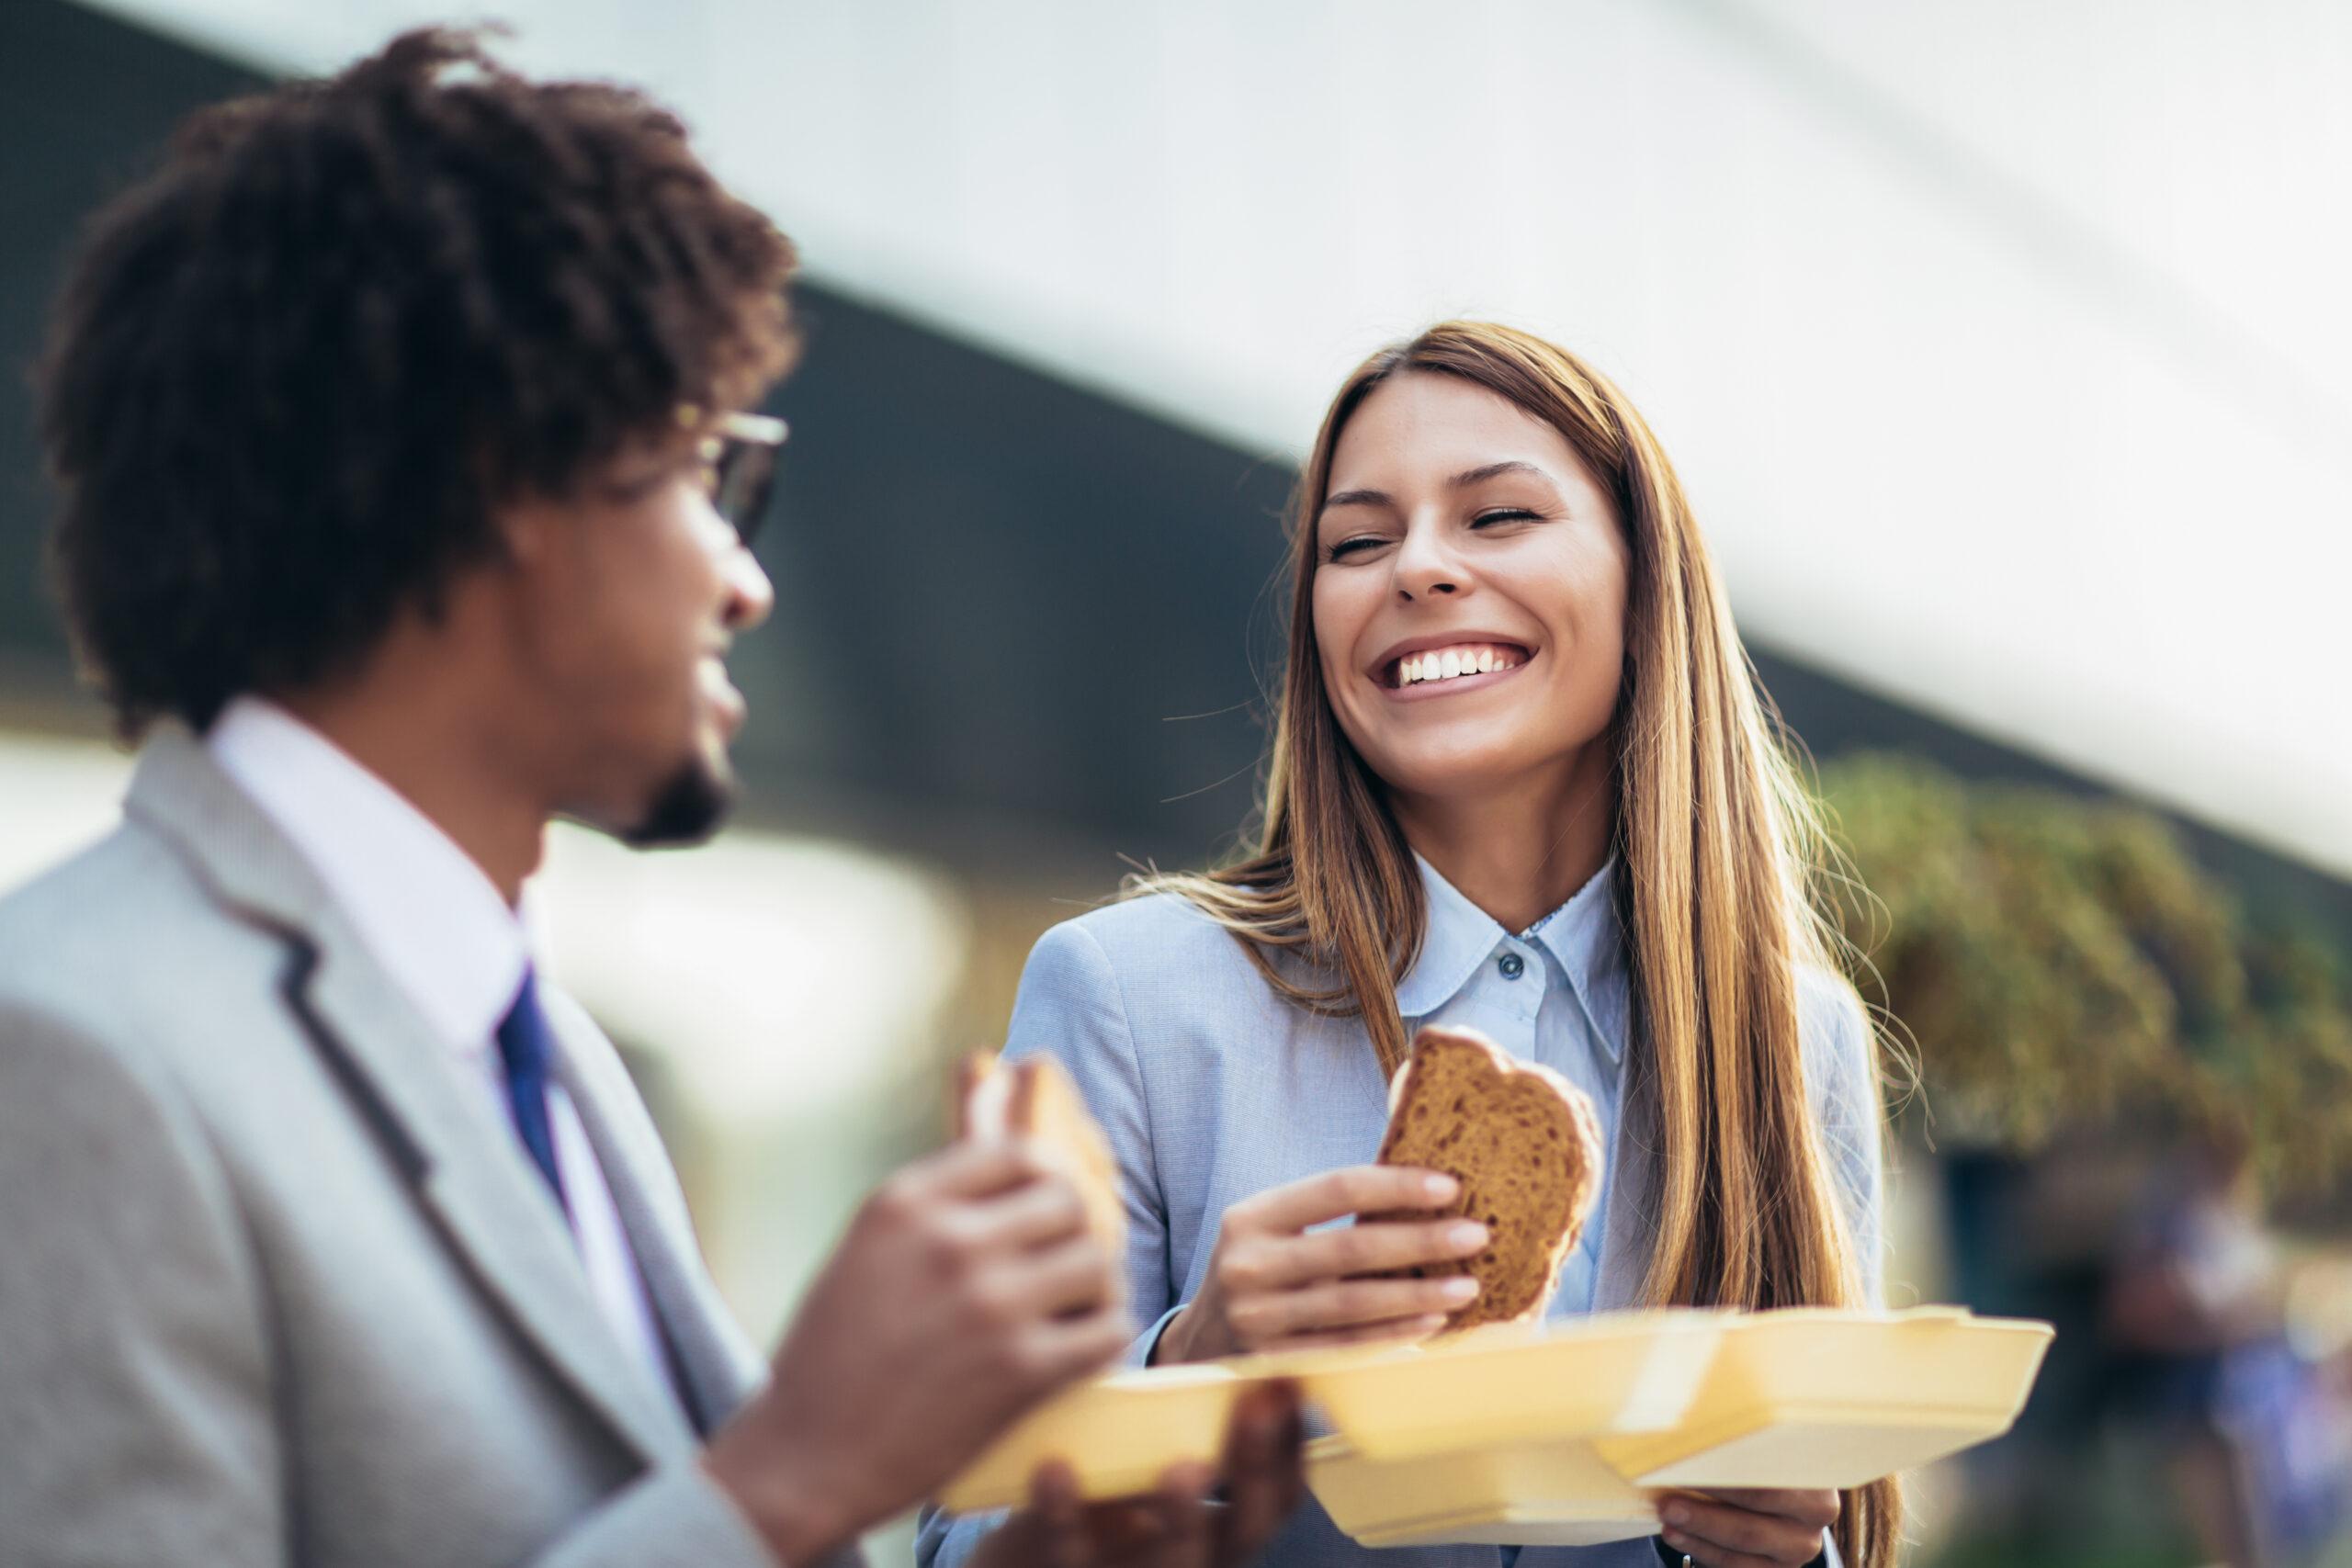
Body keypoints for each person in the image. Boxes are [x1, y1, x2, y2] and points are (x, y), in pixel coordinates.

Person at [0, 29, 1301, 1568]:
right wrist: (796, 1471)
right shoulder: (66, 1053)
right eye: (707, 473)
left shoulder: (550, 1055)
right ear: (501, 480)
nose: (745, 581)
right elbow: (736, 1517)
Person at [920, 322, 1898, 1568]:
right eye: (1359, 541)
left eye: (1496, 518)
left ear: (1648, 590)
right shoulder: (1125, 996)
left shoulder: (1793, 1038)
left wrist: (1775, 1557)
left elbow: (1847, 1529)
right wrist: (1194, 1366)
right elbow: (960, 1540)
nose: (1417, 569)